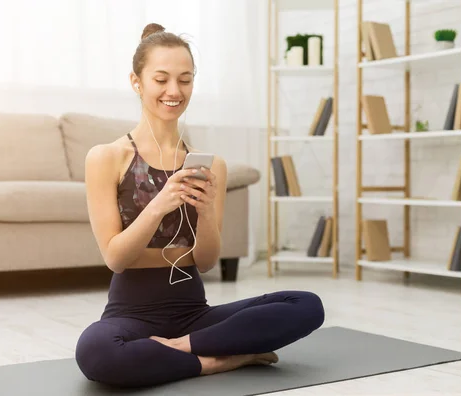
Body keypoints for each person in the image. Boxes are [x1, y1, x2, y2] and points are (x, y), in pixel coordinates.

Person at [75, 23, 325, 389]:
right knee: (95, 351)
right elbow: (115, 258)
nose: (174, 91)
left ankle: (180, 348)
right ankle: (218, 360)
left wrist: (205, 211)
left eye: (185, 80)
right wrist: (159, 205)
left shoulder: (211, 166)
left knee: (307, 304)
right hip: (131, 316)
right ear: (136, 82)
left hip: (194, 315)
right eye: (161, 80)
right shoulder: (107, 157)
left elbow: (206, 261)